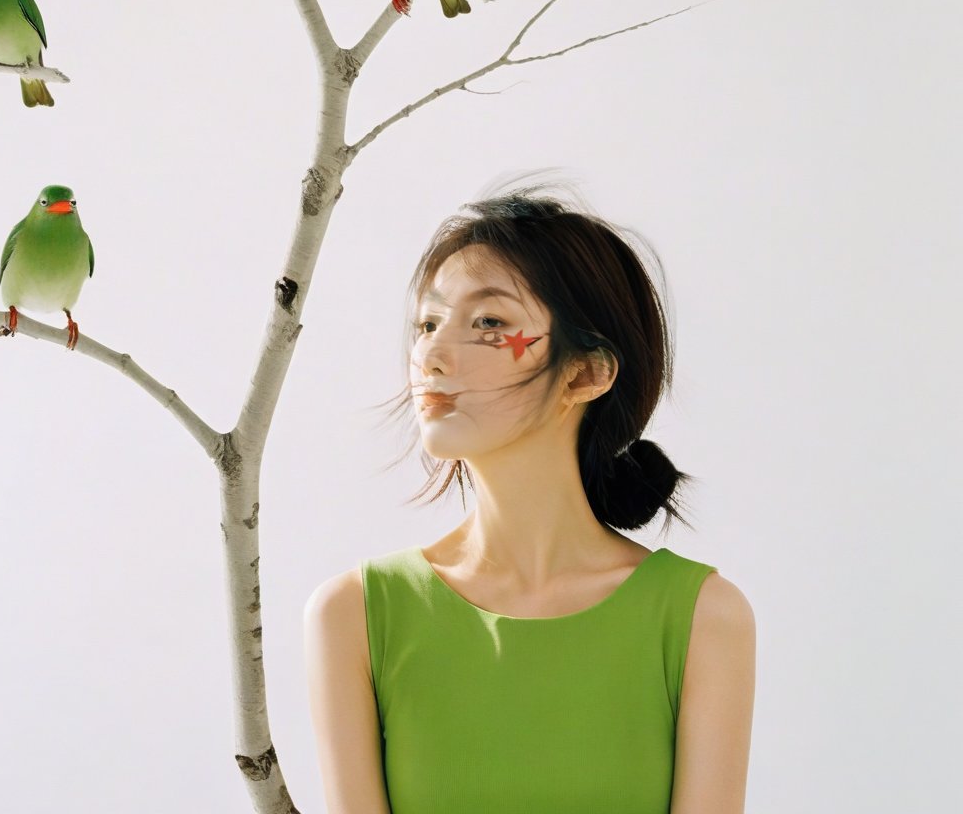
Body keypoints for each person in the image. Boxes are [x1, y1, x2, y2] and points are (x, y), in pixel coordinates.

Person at [304, 188, 756, 813]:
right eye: (428, 324)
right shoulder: (354, 615)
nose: (431, 356)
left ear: (586, 373)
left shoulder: (702, 618)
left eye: (489, 323)